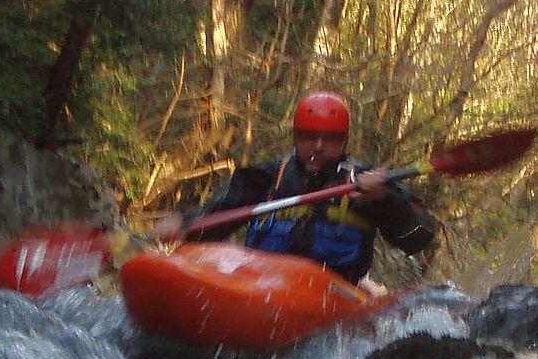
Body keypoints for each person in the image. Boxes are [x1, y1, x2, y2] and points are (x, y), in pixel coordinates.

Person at [150, 92, 437, 287]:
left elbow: (419, 237)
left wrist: (386, 200)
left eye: (330, 139)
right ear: (295, 137)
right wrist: (185, 224)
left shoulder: (364, 184)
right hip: (260, 284)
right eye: (309, 137)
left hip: (330, 293)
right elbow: (216, 216)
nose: (318, 147)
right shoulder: (268, 178)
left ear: (345, 142)